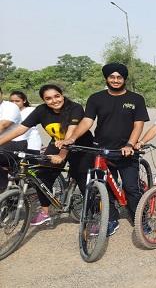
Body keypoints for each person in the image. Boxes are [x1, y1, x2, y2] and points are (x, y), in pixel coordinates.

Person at [57, 63, 149, 236]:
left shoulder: (136, 99)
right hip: (101, 150)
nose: (115, 80)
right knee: (106, 188)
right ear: (106, 79)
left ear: (124, 79)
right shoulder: (96, 98)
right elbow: (87, 121)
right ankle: (111, 219)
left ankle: (141, 219)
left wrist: (130, 144)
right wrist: (72, 138)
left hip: (126, 151)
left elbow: (138, 125)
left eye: (119, 77)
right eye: (112, 77)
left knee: (131, 188)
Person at [0, 84, 94, 225]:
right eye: (48, 98)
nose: (54, 100)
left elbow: (71, 132)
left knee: (82, 178)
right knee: (42, 176)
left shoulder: (75, 108)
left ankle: (92, 214)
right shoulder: (41, 111)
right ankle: (45, 213)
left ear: (62, 95)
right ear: (44, 100)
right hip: (56, 143)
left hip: (80, 146)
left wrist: (62, 156)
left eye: (57, 96)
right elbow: (20, 129)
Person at [0, 88, 25, 190]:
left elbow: (3, 125)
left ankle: (3, 189)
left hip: (15, 143)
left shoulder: (10, 107)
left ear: (1, 93)